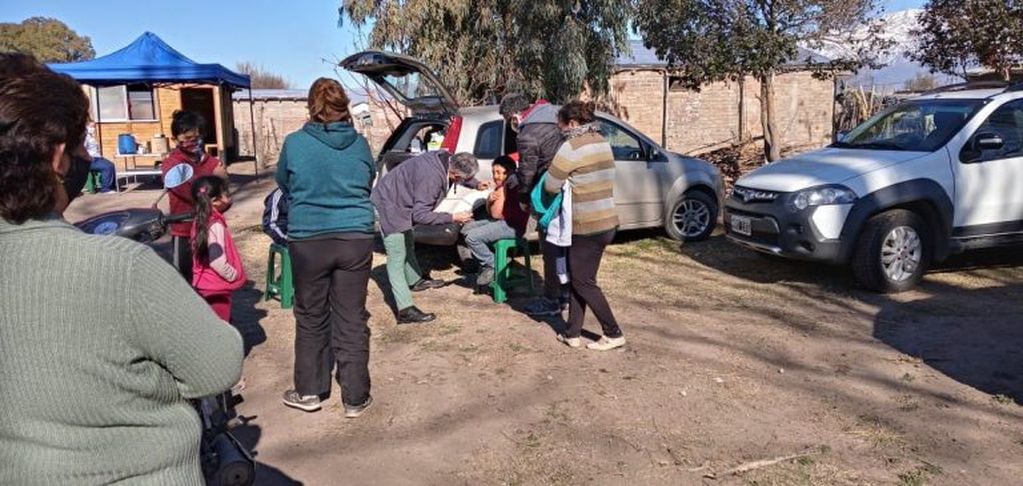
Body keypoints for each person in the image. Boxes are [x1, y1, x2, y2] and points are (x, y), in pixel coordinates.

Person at [0, 57, 243, 485]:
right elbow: (217, 366)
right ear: (58, 157)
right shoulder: (120, 268)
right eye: (80, 147)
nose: (85, 158)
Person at [275, 78, 377, 416]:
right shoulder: (360, 145)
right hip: (355, 238)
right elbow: (367, 179)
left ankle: (310, 391)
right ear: (344, 106)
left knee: (310, 315)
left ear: (311, 106)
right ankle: (356, 397)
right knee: (351, 316)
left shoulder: (294, 143)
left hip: (309, 238)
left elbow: (283, 182)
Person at [544, 101, 625, 351]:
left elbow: (550, 185)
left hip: (585, 225)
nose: (559, 128)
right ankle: (572, 332)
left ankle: (613, 332)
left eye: (560, 123)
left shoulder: (570, 148)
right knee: (581, 277)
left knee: (582, 281)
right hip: (607, 222)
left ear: (572, 123)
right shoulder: (602, 141)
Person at [371, 150, 479, 324]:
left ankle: (415, 280)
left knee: (408, 243)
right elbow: (420, 215)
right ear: (455, 175)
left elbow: (461, 171)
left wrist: (476, 184)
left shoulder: (446, 158)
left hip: (400, 198)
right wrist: (452, 217)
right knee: (397, 255)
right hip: (389, 204)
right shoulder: (432, 179)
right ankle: (405, 310)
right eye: (462, 179)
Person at [499, 93, 567, 317]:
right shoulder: (558, 117)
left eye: (509, 118)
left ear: (516, 115)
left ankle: (551, 300)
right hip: (570, 190)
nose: (511, 124)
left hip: (548, 193)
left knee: (550, 246)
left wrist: (522, 197)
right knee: (565, 245)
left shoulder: (528, 134)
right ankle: (565, 293)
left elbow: (528, 172)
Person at [162, 110, 228, 282]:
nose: (192, 143)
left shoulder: (213, 163)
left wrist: (222, 183)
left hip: (211, 230)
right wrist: (214, 183)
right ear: (175, 140)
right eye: (186, 140)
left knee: (211, 277)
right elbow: (188, 192)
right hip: (183, 231)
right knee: (184, 279)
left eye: (196, 139)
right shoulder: (172, 164)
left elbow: (224, 199)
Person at [461, 155, 529, 286]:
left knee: (472, 238)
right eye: (493, 172)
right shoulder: (503, 186)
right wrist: (489, 200)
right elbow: (492, 213)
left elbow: (495, 214)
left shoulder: (508, 185)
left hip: (512, 226)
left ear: (508, 172)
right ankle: (500, 261)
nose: (495, 176)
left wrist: (492, 199)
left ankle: (492, 265)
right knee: (466, 229)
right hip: (503, 222)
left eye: (499, 172)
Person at [191, 176, 246, 322]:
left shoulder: (200, 220)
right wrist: (232, 274)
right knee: (220, 330)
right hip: (217, 289)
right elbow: (217, 261)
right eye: (226, 193)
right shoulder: (215, 225)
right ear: (215, 201)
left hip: (204, 283)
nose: (229, 195)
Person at [84, 122, 118, 193]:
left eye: (94, 127)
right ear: (86, 126)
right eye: (91, 126)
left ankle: (112, 186)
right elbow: (83, 149)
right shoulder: (85, 137)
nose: (93, 128)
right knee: (107, 167)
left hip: (97, 157)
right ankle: (105, 189)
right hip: (90, 159)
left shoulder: (91, 136)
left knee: (112, 165)